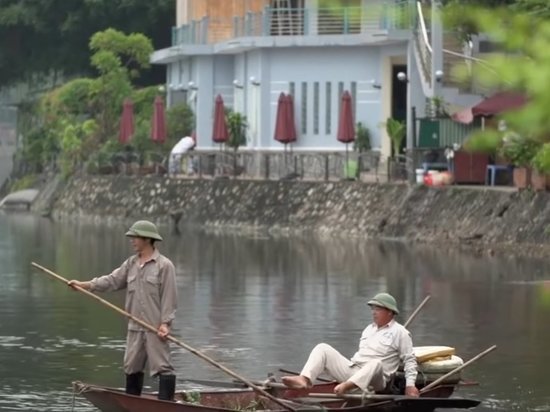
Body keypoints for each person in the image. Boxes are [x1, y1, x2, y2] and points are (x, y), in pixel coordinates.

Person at [68, 220, 178, 401]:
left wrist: (165, 323)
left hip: (155, 328)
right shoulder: (131, 264)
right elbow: (111, 281)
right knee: (131, 366)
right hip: (135, 327)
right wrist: (85, 285)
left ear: (147, 239)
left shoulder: (164, 266)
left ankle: (167, 405)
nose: (132, 240)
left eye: (135, 237)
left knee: (162, 367)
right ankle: (132, 404)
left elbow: (169, 297)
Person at [281, 292, 420, 397]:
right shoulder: (368, 329)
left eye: (378, 309)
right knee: (322, 348)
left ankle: (346, 387)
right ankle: (304, 379)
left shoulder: (401, 332)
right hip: (354, 371)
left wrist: (410, 386)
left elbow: (410, 361)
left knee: (375, 363)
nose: (374, 312)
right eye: (373, 309)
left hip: (377, 380)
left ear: (390, 312)